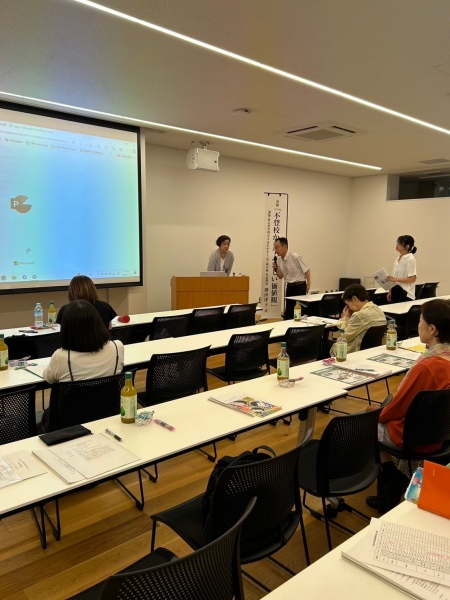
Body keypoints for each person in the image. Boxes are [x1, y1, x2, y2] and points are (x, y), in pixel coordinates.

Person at [366, 299, 450, 513]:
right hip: (443, 434)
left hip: (415, 438)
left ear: (432, 329)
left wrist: (376, 415)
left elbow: (398, 407)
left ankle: (390, 484)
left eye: (420, 321)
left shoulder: (428, 367)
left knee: (369, 423)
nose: (417, 325)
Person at [44, 300, 124, 384]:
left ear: (66, 329)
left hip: (74, 393)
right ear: (98, 323)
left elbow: (49, 378)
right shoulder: (117, 347)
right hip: (109, 393)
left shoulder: (60, 357)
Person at [330, 284, 386, 356]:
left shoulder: (359, 316)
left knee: (327, 345)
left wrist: (345, 318)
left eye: (348, 304)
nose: (349, 307)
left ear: (354, 298)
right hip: (372, 351)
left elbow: (344, 338)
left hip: (354, 352)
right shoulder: (379, 310)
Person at [273, 237, 311, 320]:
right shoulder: (279, 260)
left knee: (299, 311)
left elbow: (307, 270)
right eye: (275, 248)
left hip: (300, 287)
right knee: (289, 312)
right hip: (289, 287)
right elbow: (280, 276)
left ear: (285, 247)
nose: (276, 250)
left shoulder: (295, 257)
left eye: (277, 247)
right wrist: (276, 270)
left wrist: (308, 285)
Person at [387, 235, 417, 303]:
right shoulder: (397, 259)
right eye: (397, 242)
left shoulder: (411, 259)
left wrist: (395, 279)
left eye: (400, 243)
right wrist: (390, 291)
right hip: (395, 290)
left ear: (407, 246)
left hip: (405, 292)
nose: (397, 245)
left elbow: (412, 279)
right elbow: (394, 277)